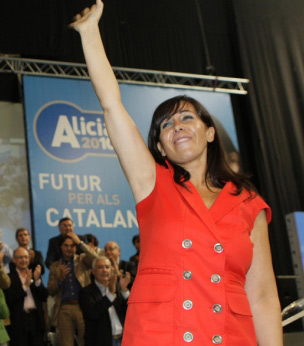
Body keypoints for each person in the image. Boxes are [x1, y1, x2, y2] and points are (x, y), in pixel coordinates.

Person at [71, 1, 282, 344]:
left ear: (210, 132)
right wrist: (90, 31)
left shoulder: (248, 203)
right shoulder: (152, 183)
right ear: (160, 147)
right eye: (166, 124)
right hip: (160, 334)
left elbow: (262, 296)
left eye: (187, 117)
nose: (177, 126)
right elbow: (111, 104)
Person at [47, 232, 97, 346]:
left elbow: (96, 259)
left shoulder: (83, 260)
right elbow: (51, 290)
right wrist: (60, 279)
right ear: (60, 246)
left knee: (87, 341)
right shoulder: (55, 266)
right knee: (66, 343)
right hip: (64, 308)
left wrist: (80, 243)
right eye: (66, 245)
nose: (69, 248)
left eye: (72, 245)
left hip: (83, 307)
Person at [79, 256, 130, 346]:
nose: (104, 270)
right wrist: (110, 293)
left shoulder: (117, 289)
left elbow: (129, 312)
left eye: (107, 267)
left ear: (111, 270)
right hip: (101, 342)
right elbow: (93, 313)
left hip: (123, 340)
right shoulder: (86, 292)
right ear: (93, 271)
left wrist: (124, 289)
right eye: (100, 267)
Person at [4, 248, 47, 346]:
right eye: (20, 257)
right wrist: (25, 286)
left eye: (26, 257)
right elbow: (9, 299)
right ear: (14, 260)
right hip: (18, 320)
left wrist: (37, 281)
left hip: (36, 319)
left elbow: (44, 296)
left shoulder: (34, 275)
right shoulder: (8, 278)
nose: (23, 260)